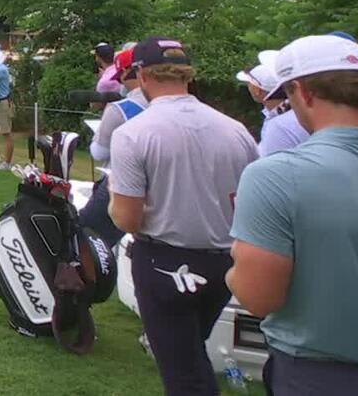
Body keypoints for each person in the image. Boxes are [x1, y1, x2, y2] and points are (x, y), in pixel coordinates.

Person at [227, 35, 358, 393]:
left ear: (303, 92)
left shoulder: (276, 175)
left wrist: (236, 268)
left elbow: (258, 298)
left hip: (322, 375)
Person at [108, 37, 258, 396]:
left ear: (141, 75)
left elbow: (127, 219)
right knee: (191, 357)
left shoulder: (133, 133)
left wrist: (113, 201)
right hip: (225, 262)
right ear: (187, 76)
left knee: (183, 373)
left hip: (166, 261)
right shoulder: (236, 130)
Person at [77, 45, 150, 247]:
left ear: (130, 72)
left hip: (122, 183)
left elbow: (98, 152)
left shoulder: (121, 109)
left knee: (87, 240)